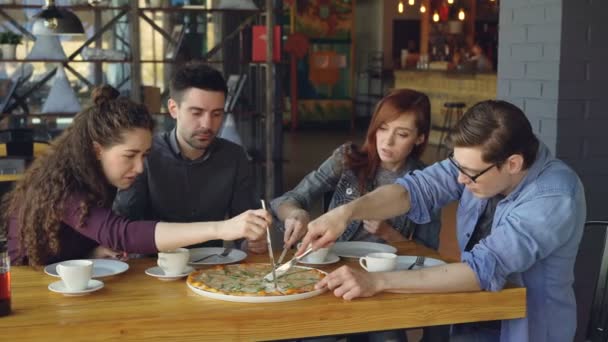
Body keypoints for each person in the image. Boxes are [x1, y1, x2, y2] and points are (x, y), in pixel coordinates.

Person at [299, 100, 586, 342]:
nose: (460, 180)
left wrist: (377, 281)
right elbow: (411, 190)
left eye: (470, 174)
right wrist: (345, 212)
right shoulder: (477, 163)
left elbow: (481, 270)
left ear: (513, 164)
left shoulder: (553, 195)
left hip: (522, 329)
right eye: (457, 166)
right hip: (469, 314)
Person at [0, 85, 271, 266]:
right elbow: (122, 234)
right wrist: (222, 228)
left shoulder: (97, 174)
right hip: (24, 286)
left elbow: (81, 234)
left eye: (145, 155)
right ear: (97, 150)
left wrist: (89, 252)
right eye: (130, 156)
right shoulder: (65, 186)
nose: (140, 168)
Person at [113, 63, 266, 253]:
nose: (207, 124)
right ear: (173, 108)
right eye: (197, 113)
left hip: (211, 269)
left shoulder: (234, 157)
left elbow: (245, 228)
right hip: (152, 270)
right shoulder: (145, 155)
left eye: (217, 114)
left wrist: (251, 242)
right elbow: (124, 227)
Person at [271, 89, 441, 251]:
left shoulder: (426, 183)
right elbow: (287, 200)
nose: (387, 141)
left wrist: (389, 234)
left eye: (402, 134)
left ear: (419, 138)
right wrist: (296, 213)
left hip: (386, 275)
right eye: (382, 128)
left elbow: (427, 252)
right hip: (333, 264)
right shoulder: (347, 159)